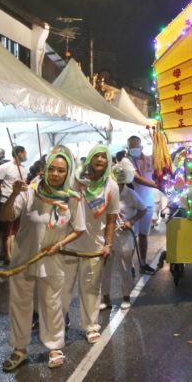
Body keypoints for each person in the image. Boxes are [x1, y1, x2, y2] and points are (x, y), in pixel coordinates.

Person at [0, 150, 85, 371]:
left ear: (67, 173)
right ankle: (19, 348)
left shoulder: (73, 198)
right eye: (51, 169)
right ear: (44, 170)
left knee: (52, 304)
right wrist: (13, 194)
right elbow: (6, 216)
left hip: (52, 260)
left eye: (61, 170)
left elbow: (79, 229)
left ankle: (55, 346)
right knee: (20, 304)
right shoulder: (30, 192)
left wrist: (60, 244)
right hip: (23, 260)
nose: (55, 174)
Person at [62, 145, 119, 343]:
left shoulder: (111, 186)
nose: (100, 159)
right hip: (68, 244)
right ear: (90, 159)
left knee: (91, 290)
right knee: (62, 289)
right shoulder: (75, 180)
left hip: (94, 246)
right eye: (97, 155)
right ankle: (59, 322)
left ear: (108, 161)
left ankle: (91, 326)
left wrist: (108, 244)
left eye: (104, 156)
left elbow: (111, 218)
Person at [101, 165, 149, 310]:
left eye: (119, 183)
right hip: (107, 236)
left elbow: (143, 209)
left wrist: (131, 221)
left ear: (124, 182)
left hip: (125, 237)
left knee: (124, 268)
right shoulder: (105, 193)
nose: (117, 185)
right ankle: (106, 298)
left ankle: (126, 297)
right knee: (105, 268)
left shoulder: (130, 194)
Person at [118, 136, 159, 275]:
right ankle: (130, 266)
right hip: (133, 203)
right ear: (127, 148)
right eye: (131, 147)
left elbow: (159, 168)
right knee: (132, 236)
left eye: (137, 146)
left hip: (147, 202)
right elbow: (136, 178)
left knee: (143, 235)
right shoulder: (126, 161)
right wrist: (155, 185)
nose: (134, 150)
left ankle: (143, 263)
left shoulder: (148, 159)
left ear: (142, 147)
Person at [0, 145, 29, 263]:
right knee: (7, 230)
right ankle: (7, 256)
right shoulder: (4, 167)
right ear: (19, 153)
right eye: (24, 152)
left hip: (20, 201)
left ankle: (13, 253)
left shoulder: (24, 169)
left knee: (15, 230)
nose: (26, 155)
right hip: (6, 200)